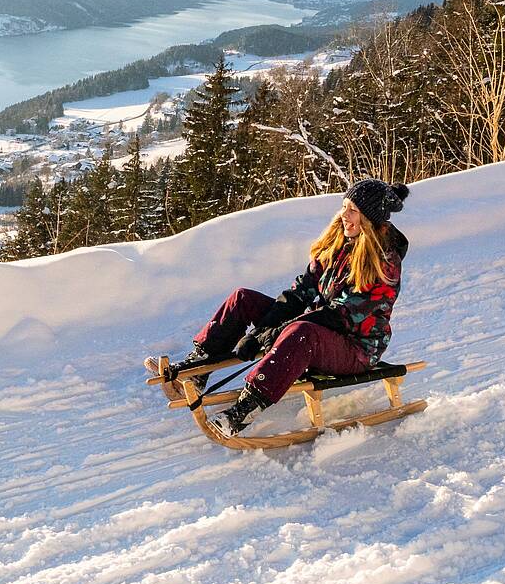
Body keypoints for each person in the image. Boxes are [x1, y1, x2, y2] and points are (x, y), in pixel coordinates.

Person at [157, 178, 409, 439]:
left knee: (301, 332)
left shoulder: (384, 263)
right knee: (243, 298)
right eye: (344, 206)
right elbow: (302, 292)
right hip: (322, 328)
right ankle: (199, 367)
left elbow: (340, 315)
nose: (344, 214)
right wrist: (263, 329)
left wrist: (273, 333)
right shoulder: (338, 244)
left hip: (356, 348)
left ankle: (246, 408)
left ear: (369, 219)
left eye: (353, 210)